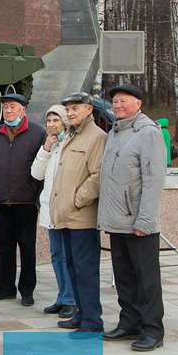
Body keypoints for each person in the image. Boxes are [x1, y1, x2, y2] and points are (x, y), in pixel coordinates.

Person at [97, 84, 167, 352]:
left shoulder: (148, 133)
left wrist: (145, 221)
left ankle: (152, 329)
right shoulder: (115, 132)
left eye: (123, 101)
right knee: (124, 276)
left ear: (138, 104)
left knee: (147, 280)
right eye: (114, 101)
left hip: (139, 223)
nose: (117, 105)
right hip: (117, 221)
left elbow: (153, 180)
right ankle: (130, 322)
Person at [0, 93, 45, 304]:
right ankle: (5, 288)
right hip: (3, 201)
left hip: (26, 201)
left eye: (13, 106)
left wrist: (39, 198)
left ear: (23, 109)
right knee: (4, 246)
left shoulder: (37, 132)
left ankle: (27, 291)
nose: (8, 110)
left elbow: (42, 167)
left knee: (27, 247)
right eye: (6, 107)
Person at [50, 92, 107, 337]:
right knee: (72, 267)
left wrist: (77, 200)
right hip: (64, 215)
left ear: (88, 110)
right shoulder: (70, 135)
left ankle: (92, 320)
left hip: (81, 216)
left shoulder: (97, 137)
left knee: (85, 269)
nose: (70, 113)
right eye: (68, 109)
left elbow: (98, 175)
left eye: (75, 108)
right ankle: (81, 314)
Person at [30, 104, 76, 318]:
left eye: (55, 120)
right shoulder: (50, 144)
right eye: (48, 121)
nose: (51, 125)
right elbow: (36, 174)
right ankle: (62, 296)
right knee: (56, 255)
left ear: (64, 122)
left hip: (66, 209)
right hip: (50, 209)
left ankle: (70, 299)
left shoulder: (70, 143)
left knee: (68, 256)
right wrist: (46, 148)